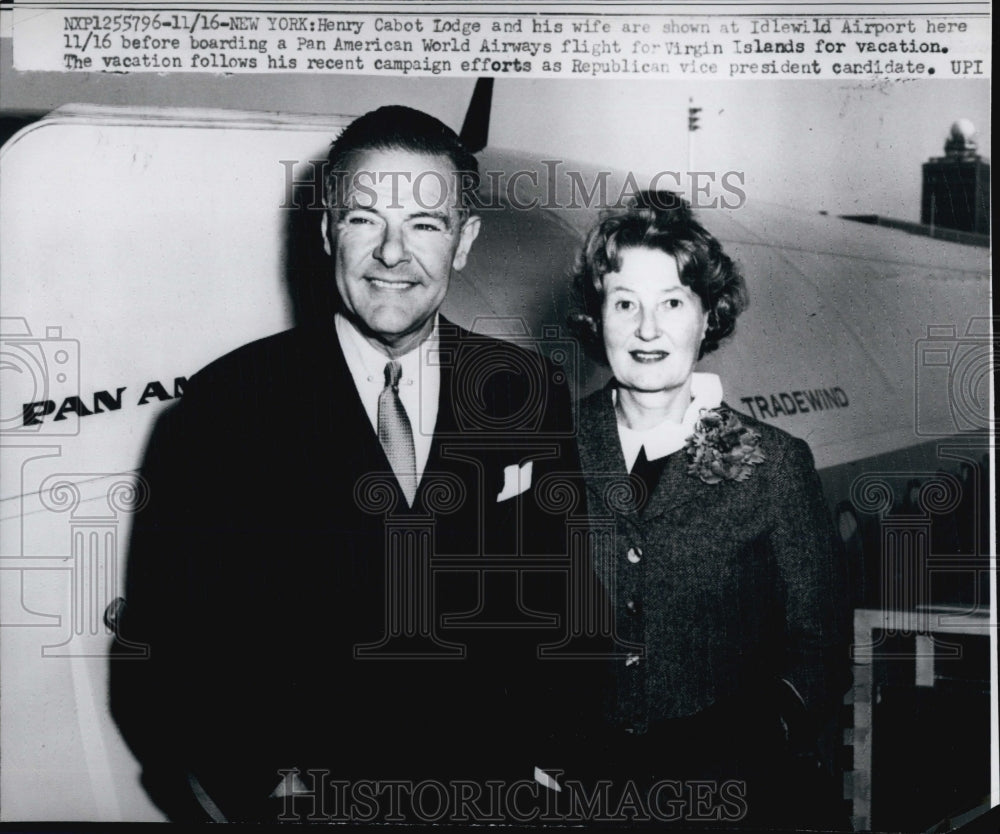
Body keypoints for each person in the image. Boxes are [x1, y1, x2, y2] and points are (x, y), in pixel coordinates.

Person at [110, 106, 593, 824]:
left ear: (464, 243)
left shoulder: (525, 390)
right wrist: (257, 794)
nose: (393, 253)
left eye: (425, 225)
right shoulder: (227, 406)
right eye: (366, 219)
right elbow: (164, 647)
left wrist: (554, 763)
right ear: (329, 230)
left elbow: (566, 598)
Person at [567, 191, 850, 827]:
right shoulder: (553, 447)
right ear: (597, 318)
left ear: (706, 317)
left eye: (672, 302)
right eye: (624, 303)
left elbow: (821, 640)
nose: (648, 328)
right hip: (583, 795)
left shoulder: (773, 461)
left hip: (732, 792)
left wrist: (762, 742)